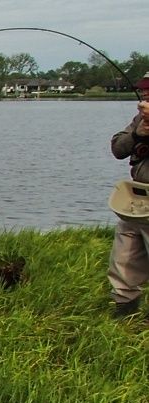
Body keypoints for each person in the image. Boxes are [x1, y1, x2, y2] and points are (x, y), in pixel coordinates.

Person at [108, 71, 149, 317]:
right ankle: (125, 310)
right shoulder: (139, 120)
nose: (144, 94)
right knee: (124, 256)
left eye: (148, 91)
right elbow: (117, 148)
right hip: (136, 199)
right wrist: (138, 134)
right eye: (143, 90)